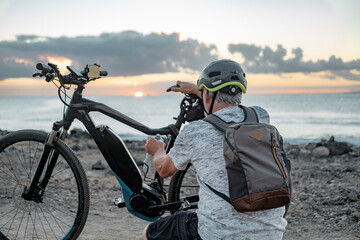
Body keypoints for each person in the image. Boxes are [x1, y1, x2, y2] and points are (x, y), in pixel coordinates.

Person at [142, 59, 288, 240]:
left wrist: (157, 150)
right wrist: (202, 91)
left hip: (217, 234)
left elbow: (164, 170)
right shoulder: (260, 116)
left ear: (207, 96)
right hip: (272, 233)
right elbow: (229, 105)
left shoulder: (195, 131)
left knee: (150, 232)